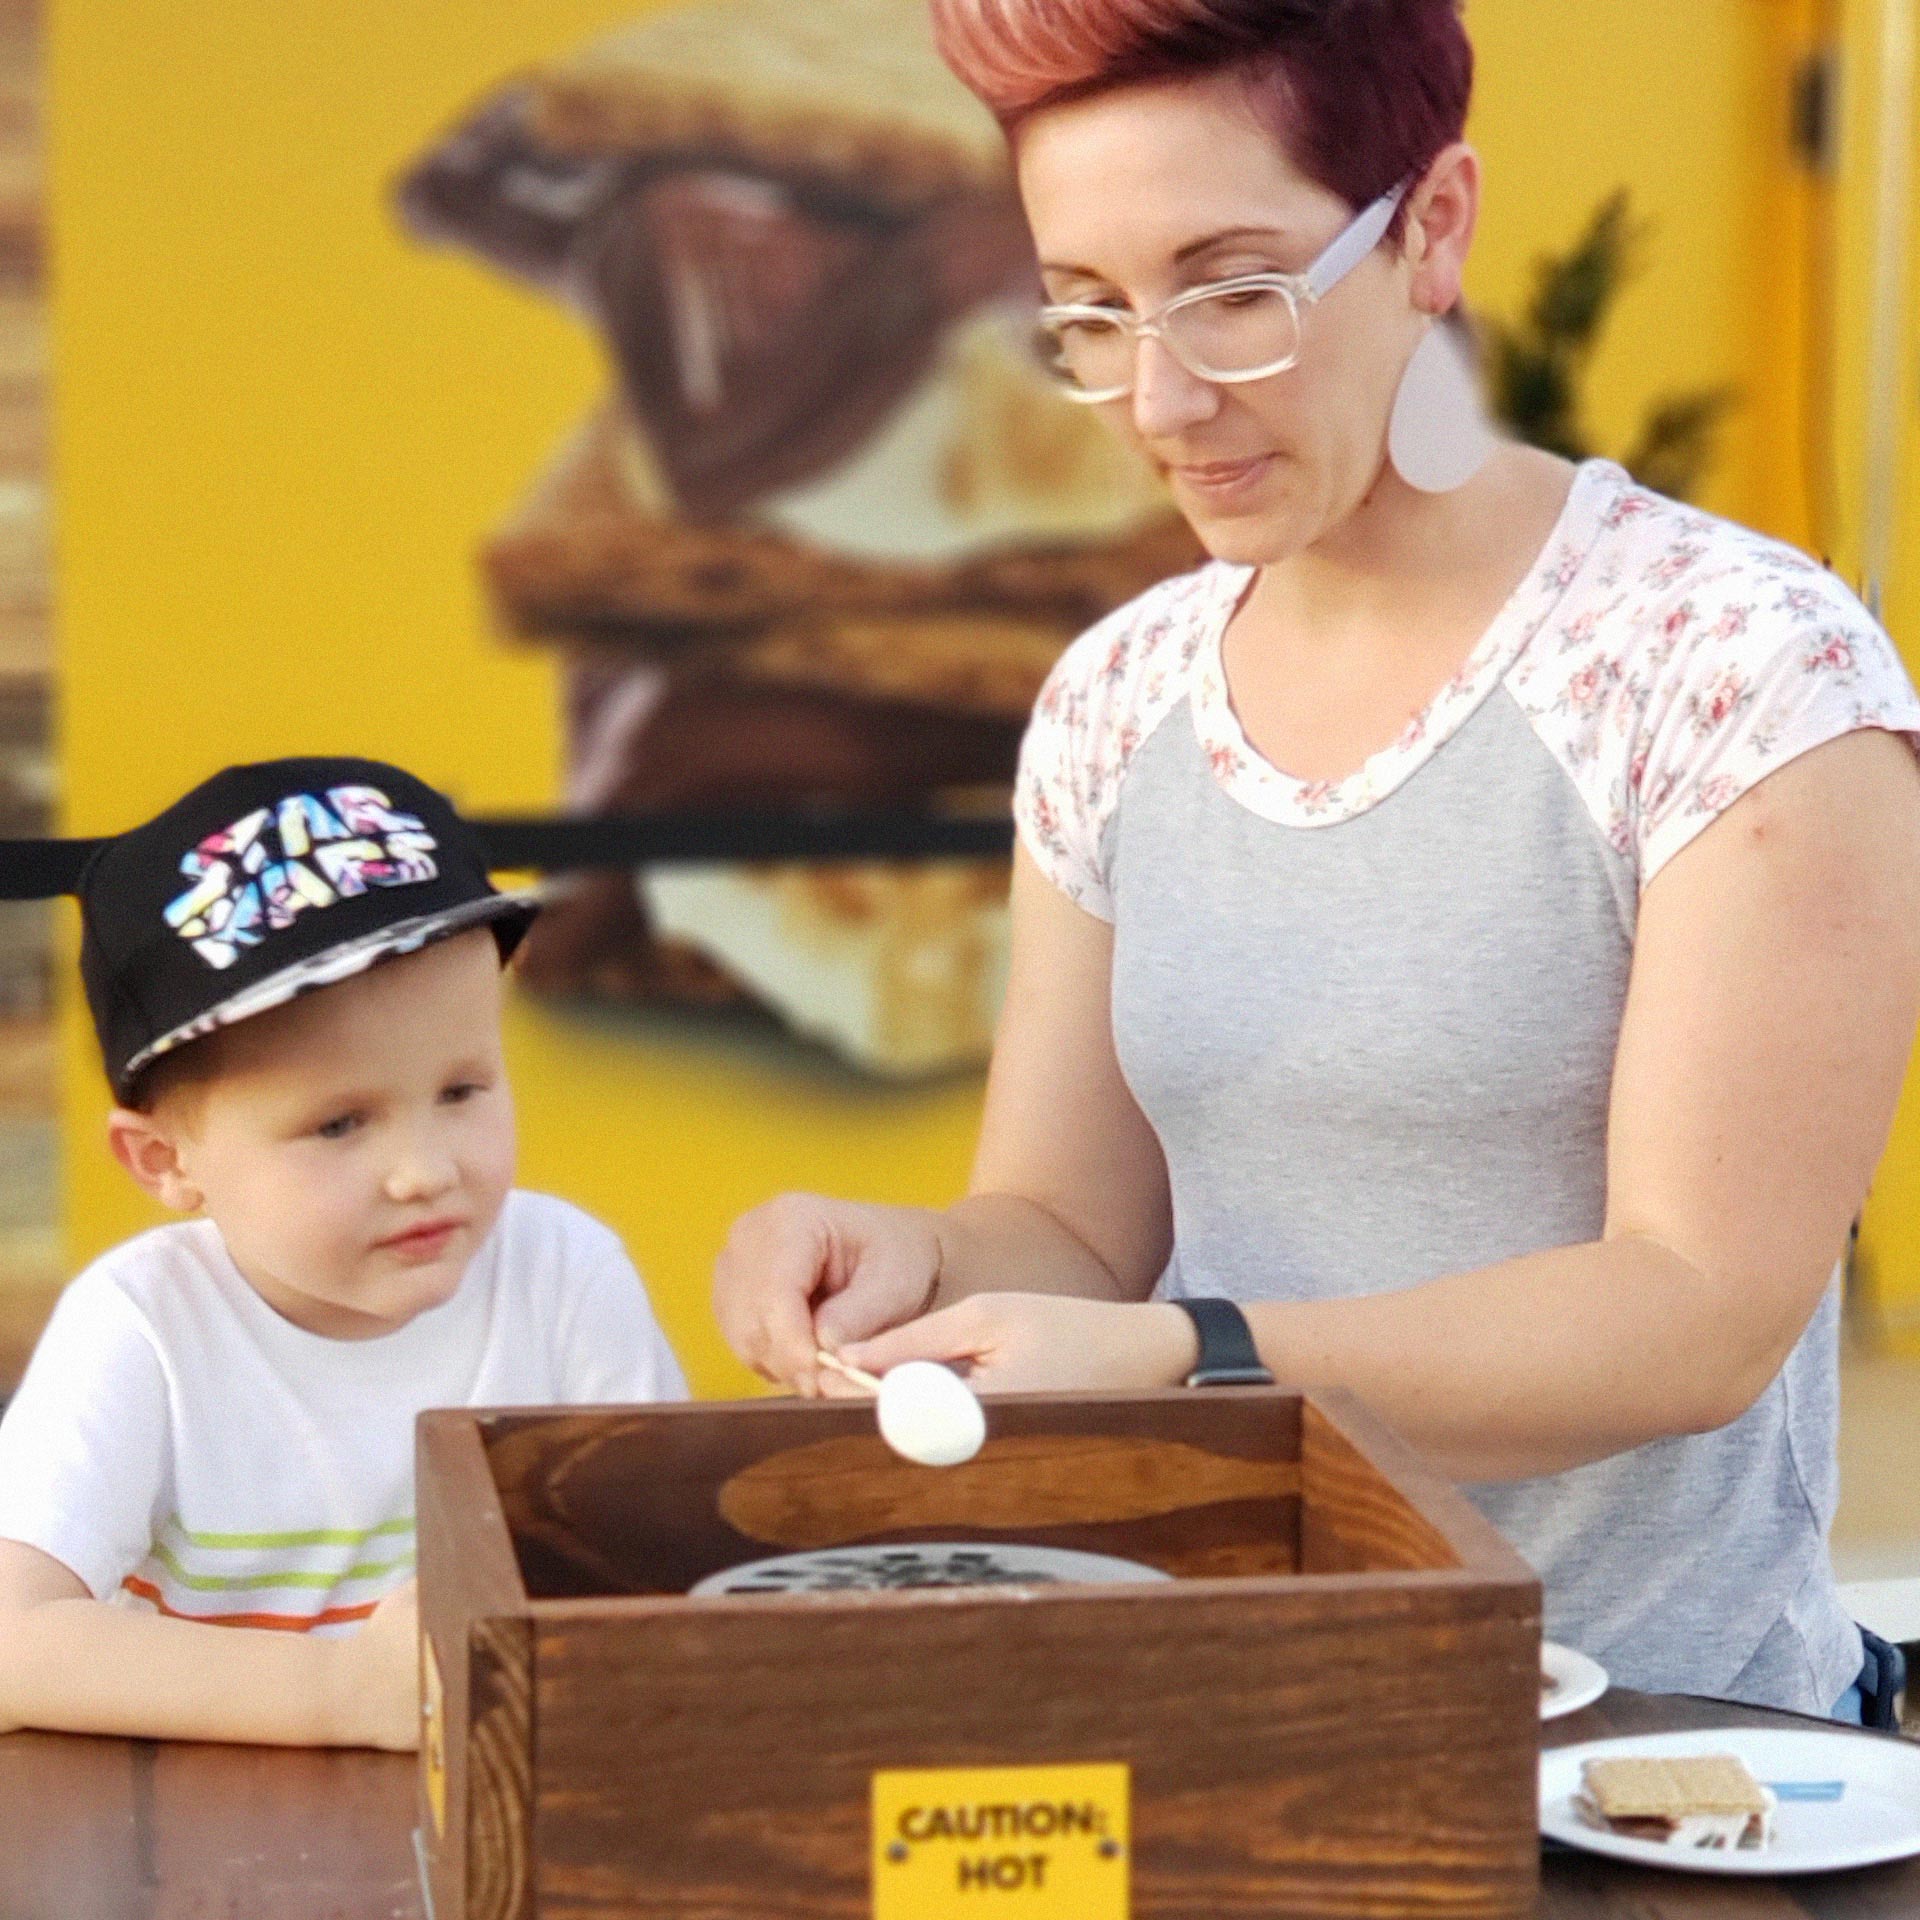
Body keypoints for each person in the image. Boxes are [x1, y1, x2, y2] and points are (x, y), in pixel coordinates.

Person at [714, 0, 1920, 1724]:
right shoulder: (1118, 700)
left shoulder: (1735, 664)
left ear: (1432, 228)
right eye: (1093, 311)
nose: (1162, 394)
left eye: (1234, 290)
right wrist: (911, 1262)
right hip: (1226, 1717)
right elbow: (1069, 1222)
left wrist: (1192, 1360)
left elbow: (1697, 1313)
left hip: (1640, 1766)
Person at [0, 757, 687, 1749]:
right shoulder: (146, 1324)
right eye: (336, 1126)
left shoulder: (562, 1274)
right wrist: (338, 1692)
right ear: (164, 1162)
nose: (421, 1172)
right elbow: (15, 1641)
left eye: (462, 1091)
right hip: (208, 1865)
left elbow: (666, 1579)